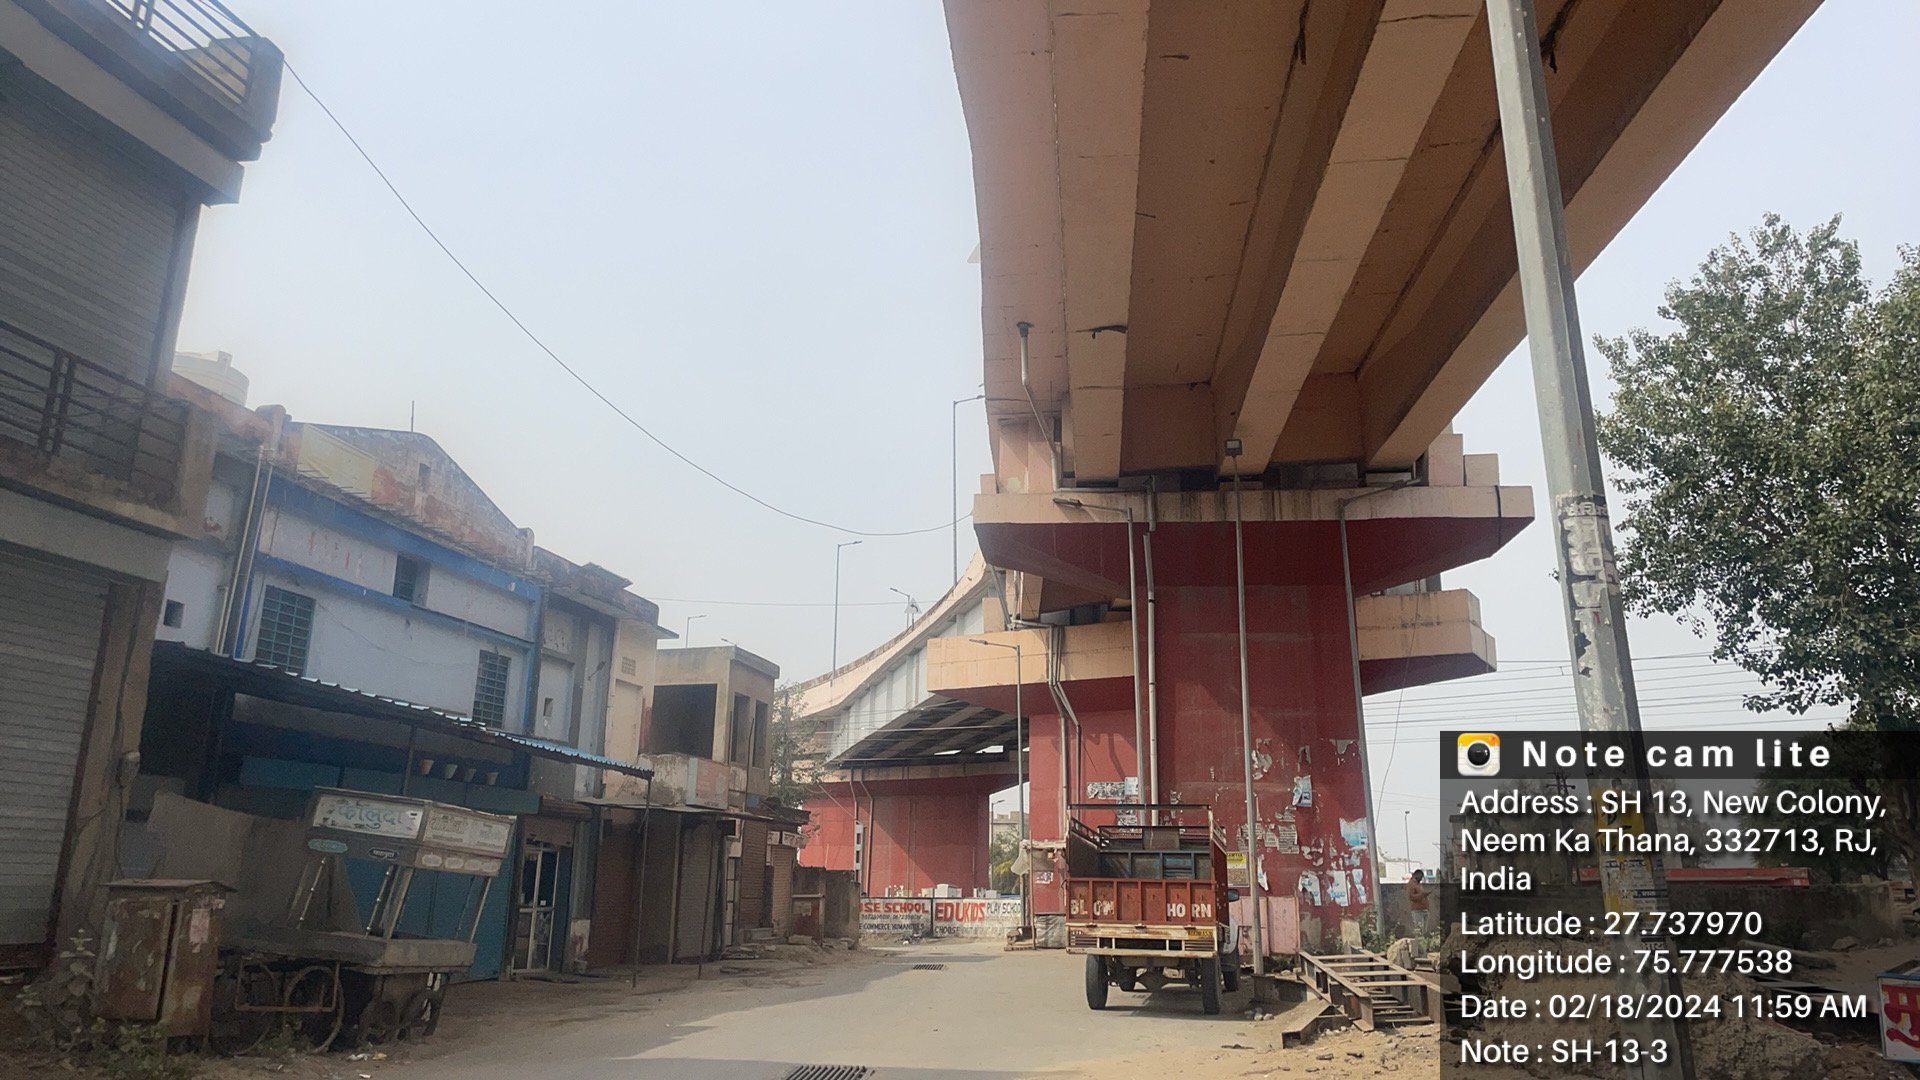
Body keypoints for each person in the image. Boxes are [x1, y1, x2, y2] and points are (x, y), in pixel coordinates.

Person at [1406, 869, 1430, 959]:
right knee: (1419, 932)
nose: (1421, 879)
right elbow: (1411, 897)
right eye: (1421, 877)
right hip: (1417, 910)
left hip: (1424, 910)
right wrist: (1422, 895)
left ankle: (1423, 951)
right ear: (1417, 875)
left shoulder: (1419, 884)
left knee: (1424, 932)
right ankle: (1418, 953)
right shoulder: (1411, 884)